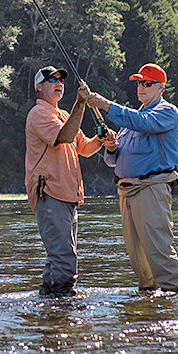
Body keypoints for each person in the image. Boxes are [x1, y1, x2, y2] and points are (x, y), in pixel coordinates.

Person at [85, 63, 178, 293]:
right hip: (126, 191)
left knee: (158, 249)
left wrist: (105, 104)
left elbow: (143, 123)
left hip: (152, 188)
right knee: (138, 257)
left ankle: (175, 296)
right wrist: (110, 147)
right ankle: (149, 302)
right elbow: (112, 160)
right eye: (139, 83)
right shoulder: (132, 118)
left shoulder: (167, 112)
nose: (141, 87)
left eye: (147, 83)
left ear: (160, 87)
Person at [25, 65, 105, 298]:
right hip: (50, 194)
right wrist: (80, 104)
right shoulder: (39, 114)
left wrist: (101, 139)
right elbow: (65, 137)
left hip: (68, 195)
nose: (58, 82)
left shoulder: (63, 117)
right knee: (64, 257)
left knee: (58, 257)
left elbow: (85, 148)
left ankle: (49, 305)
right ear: (39, 87)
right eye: (52, 79)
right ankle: (63, 305)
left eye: (61, 80)